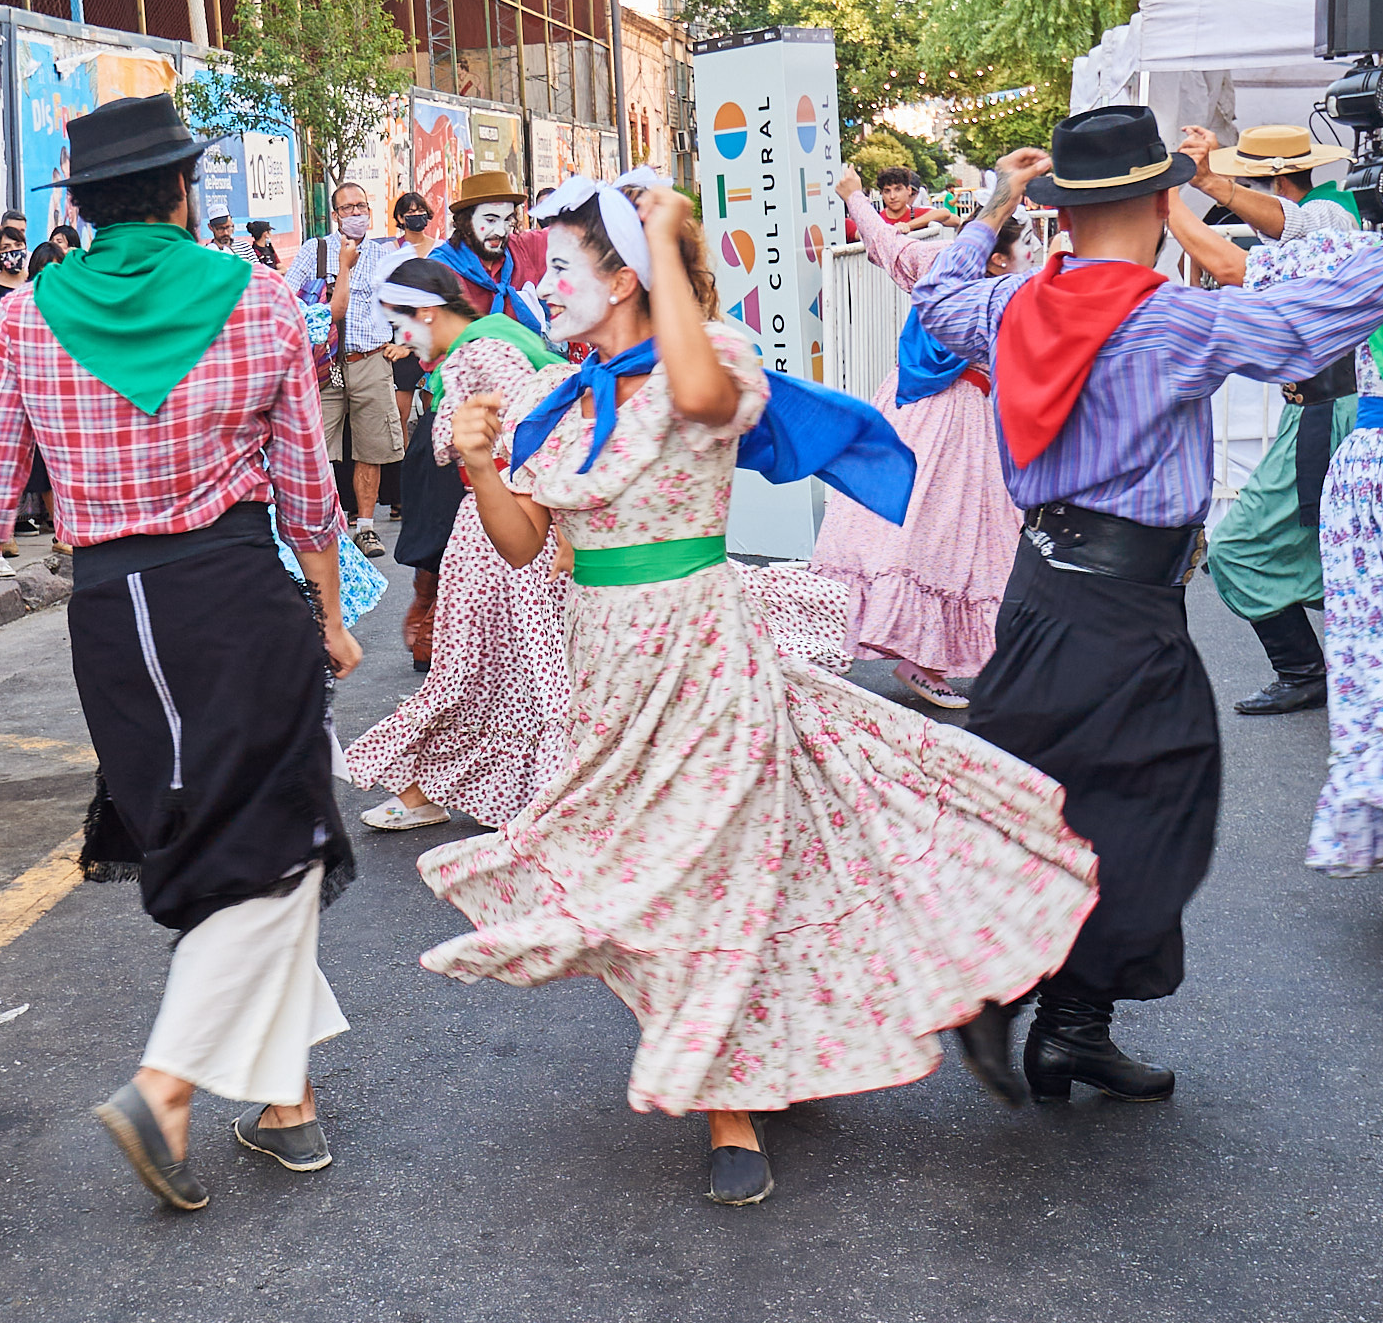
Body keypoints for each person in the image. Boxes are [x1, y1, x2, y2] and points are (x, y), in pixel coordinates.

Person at [414, 172, 1098, 1206]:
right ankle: (784, 1036)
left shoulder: (715, 361)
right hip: (603, 666)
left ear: (631, 277)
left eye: (564, 267)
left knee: (708, 865)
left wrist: (673, 236)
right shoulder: (558, 399)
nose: (541, 286)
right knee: (670, 865)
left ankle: (727, 1101)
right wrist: (479, 469)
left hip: (701, 649)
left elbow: (694, 395)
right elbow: (524, 547)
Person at [913, 107, 1383, 1104]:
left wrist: (989, 207)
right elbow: (1305, 322)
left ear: (1059, 213)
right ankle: (1016, 995)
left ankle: (1058, 1021)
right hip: (1125, 608)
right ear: (1157, 200)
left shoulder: (1015, 306)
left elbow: (936, 296)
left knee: (1048, 806)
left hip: (1041, 593)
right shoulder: (1168, 320)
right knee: (1156, 810)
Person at [0, 93, 360, 1212]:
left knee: (213, 829)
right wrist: (330, 608)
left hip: (112, 614)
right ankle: (165, 1085)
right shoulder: (259, 298)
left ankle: (287, 1101)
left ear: (84, 205)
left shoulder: (26, 318)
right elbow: (307, 488)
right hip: (233, 592)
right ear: (180, 190)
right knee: (280, 834)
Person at [1230, 106, 1383, 872]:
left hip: (1371, 435)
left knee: (1276, 550)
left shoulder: (1348, 227)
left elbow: (1248, 257)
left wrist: (1185, 191)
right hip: (1374, 431)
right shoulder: (1370, 229)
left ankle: (1305, 671)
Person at [346, 259, 569, 830]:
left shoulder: (481, 350)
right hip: (502, 524)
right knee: (499, 673)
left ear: (425, 312)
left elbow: (535, 436)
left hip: (506, 527)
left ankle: (440, 792)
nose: (399, 342)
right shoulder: (484, 343)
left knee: (484, 672)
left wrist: (560, 528)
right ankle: (447, 790)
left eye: (399, 326)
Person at [804, 169, 1023, 712]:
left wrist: (853, 193)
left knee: (916, 525)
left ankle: (931, 652)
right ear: (996, 258)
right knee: (949, 529)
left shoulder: (938, 267)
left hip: (907, 406)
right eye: (1024, 251)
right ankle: (923, 659)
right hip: (959, 416)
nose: (1030, 260)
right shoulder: (1003, 295)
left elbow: (883, 242)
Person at [1187, 126, 1364, 716]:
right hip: (1320, 408)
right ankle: (1326, 665)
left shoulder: (1332, 216)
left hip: (1335, 410)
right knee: (1324, 546)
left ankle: (1309, 669)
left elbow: (1267, 246)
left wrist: (1203, 188)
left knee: (1240, 547)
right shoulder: (1319, 219)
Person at [292, 186, 412, 558]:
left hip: (371, 360)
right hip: (325, 363)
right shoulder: (316, 251)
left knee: (372, 447)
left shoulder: (384, 256)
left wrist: (405, 342)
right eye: (347, 208)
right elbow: (288, 295)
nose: (355, 212)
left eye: (361, 205)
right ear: (336, 215)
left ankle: (365, 527)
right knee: (317, 449)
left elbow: (409, 304)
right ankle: (329, 526)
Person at [435, 170, 547, 334]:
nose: (501, 231)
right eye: (490, 220)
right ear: (466, 222)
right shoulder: (441, 268)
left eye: (508, 220)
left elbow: (575, 237)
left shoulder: (521, 248)